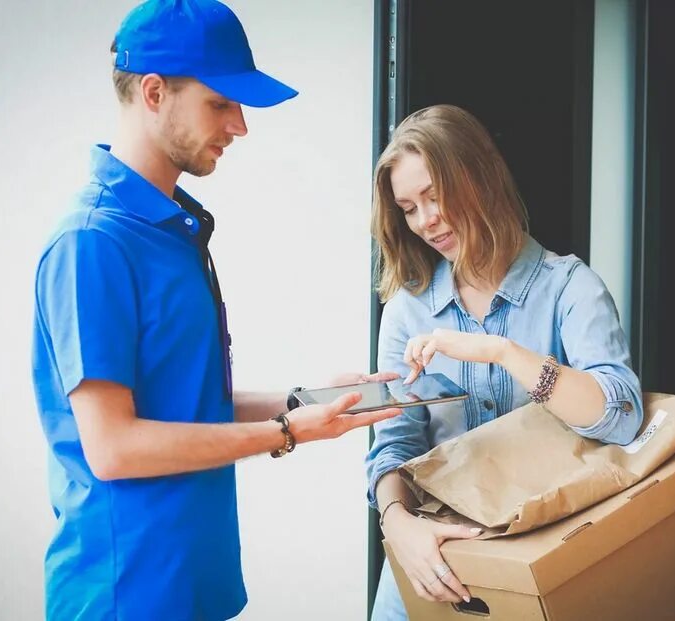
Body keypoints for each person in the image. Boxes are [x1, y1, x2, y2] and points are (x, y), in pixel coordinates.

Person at [31, 1, 400, 619]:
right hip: (126, 596)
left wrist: (304, 402)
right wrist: (285, 434)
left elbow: (180, 405)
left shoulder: (172, 229)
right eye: (220, 103)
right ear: (154, 92)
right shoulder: (93, 242)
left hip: (193, 584)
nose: (240, 125)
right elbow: (114, 446)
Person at [365, 104, 644, 620]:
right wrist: (398, 523)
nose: (425, 221)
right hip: (431, 566)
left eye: (434, 195)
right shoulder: (407, 309)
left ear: (479, 176)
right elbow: (395, 446)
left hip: (542, 567)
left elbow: (622, 417)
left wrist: (502, 351)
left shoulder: (569, 288)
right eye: (408, 207)